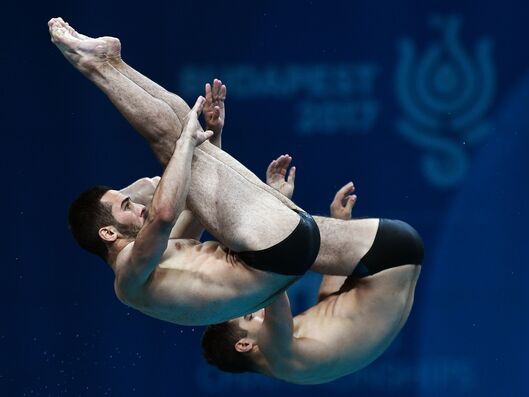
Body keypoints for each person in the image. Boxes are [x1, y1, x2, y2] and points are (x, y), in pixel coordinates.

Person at [50, 18, 423, 326]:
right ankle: (96, 65)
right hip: (272, 253)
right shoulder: (129, 279)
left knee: (182, 128)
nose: (139, 207)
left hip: (284, 247)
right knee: (171, 141)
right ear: (107, 232)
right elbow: (164, 213)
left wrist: (213, 140)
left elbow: (197, 206)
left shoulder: (161, 261)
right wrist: (186, 147)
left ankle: (113, 62)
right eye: (126, 205)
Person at [202, 167, 421, 384]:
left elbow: (331, 305)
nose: (256, 308)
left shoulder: (299, 368)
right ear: (244, 345)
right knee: (255, 234)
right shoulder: (278, 355)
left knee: (271, 237)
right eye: (250, 316)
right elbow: (272, 278)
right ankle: (200, 172)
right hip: (386, 254)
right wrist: (275, 200)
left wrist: (341, 225)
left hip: (393, 258)